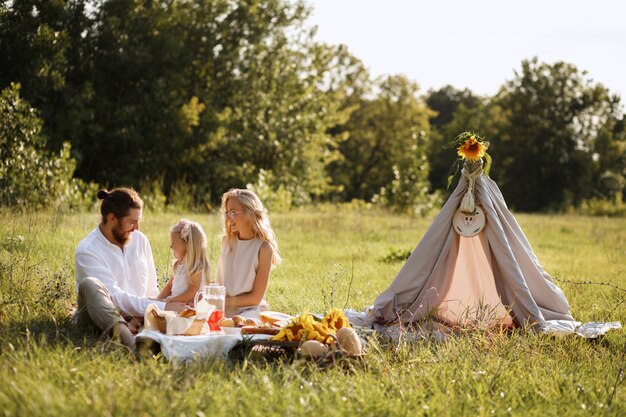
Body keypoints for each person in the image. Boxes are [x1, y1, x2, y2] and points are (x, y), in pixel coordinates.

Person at [74, 188, 186, 351]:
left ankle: (144, 337)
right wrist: (165, 307)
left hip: (138, 318)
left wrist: (154, 314)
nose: (137, 228)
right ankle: (133, 347)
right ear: (112, 218)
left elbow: (150, 291)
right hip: (98, 320)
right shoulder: (88, 250)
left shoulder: (140, 241)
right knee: (89, 284)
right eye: (133, 222)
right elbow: (115, 298)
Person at [216, 189, 281, 319]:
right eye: (227, 213)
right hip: (222, 308)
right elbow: (225, 280)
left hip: (250, 312)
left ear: (249, 213)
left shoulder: (263, 248)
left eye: (233, 212)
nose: (229, 218)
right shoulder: (226, 242)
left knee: (238, 327)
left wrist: (222, 301)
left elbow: (255, 298)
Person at [155, 219, 211, 303]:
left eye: (173, 243)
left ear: (187, 245)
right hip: (176, 303)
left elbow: (192, 292)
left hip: (189, 308)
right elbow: (169, 286)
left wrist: (169, 300)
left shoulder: (196, 267)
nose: (171, 247)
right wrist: (157, 300)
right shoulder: (178, 264)